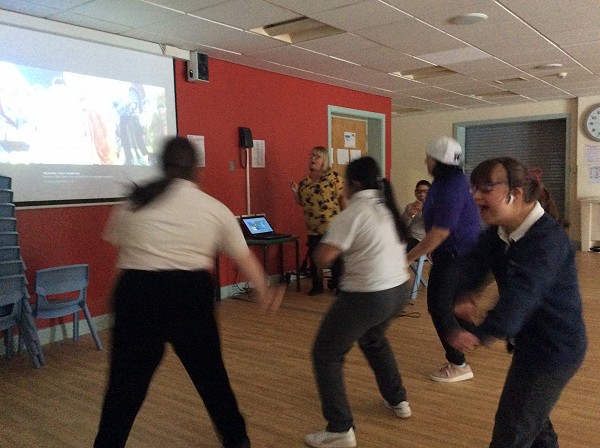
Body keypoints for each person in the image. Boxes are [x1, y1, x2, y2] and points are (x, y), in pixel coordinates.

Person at [94, 136, 283, 448]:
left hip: (136, 295)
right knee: (212, 379)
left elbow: (124, 261)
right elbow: (245, 258)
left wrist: (115, 298)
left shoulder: (132, 204)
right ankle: (237, 441)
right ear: (197, 170)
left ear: (162, 166)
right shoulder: (213, 208)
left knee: (123, 390)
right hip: (188, 296)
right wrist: (264, 290)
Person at [449, 157, 587, 448]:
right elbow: (475, 262)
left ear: (516, 193)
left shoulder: (546, 240)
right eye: (474, 188)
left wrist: (483, 332)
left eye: (486, 188)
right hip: (531, 343)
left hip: (554, 349)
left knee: (511, 432)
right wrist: (466, 292)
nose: (476, 196)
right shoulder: (500, 232)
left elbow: (523, 295)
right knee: (532, 422)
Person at [304, 156, 413, 448]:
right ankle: (398, 399)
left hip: (369, 295)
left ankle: (340, 429)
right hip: (398, 290)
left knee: (326, 353)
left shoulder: (354, 212)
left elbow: (323, 258)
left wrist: (328, 241)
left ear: (352, 183)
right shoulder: (386, 206)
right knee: (373, 339)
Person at [406, 136, 481, 383]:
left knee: (439, 307)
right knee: (454, 304)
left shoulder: (452, 187)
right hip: (453, 252)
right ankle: (470, 338)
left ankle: (458, 364)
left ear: (438, 161)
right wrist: (432, 247)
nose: (425, 161)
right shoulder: (445, 182)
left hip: (456, 254)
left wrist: (409, 258)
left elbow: (440, 231)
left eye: (428, 157)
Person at [290, 146, 344, 295]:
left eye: (317, 156)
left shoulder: (333, 177)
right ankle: (317, 286)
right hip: (313, 226)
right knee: (315, 257)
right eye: (311, 155)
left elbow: (342, 198)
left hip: (331, 224)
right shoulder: (306, 180)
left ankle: (339, 286)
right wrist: (295, 193)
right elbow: (302, 202)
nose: (313, 159)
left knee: (335, 257)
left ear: (324, 159)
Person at [401, 179, 431, 251]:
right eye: (419, 192)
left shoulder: (434, 207)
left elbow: (432, 226)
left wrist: (424, 210)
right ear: (415, 193)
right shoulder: (410, 206)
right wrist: (409, 216)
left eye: (426, 192)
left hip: (423, 240)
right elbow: (402, 227)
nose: (422, 195)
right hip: (409, 238)